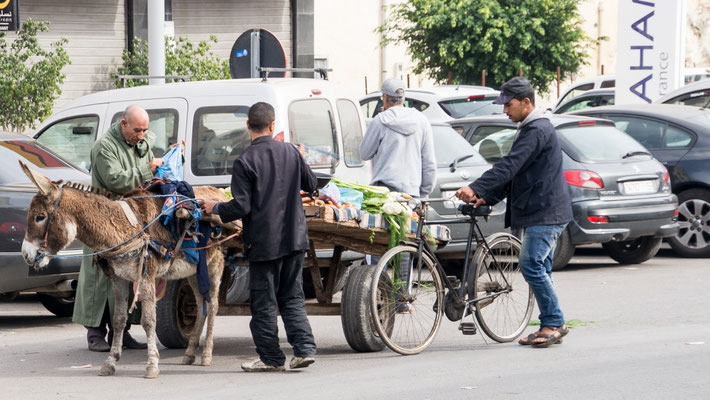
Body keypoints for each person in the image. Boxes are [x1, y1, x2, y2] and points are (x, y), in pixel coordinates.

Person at [455, 77, 573, 348]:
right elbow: (517, 174)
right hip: (541, 209)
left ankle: (554, 322)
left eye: (508, 105)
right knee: (540, 268)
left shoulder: (537, 129)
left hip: (546, 211)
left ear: (526, 102)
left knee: (531, 265)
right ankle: (550, 322)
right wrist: (486, 195)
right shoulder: (530, 128)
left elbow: (510, 165)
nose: (505, 111)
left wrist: (475, 186)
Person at [201, 102, 317, 372]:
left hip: (265, 243)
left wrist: (214, 207)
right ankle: (304, 350)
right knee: (292, 297)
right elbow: (311, 185)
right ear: (273, 125)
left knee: (264, 302)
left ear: (247, 126)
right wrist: (301, 157)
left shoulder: (244, 161)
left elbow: (241, 207)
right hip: (295, 239)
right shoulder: (290, 151)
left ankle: (271, 359)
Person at [72, 105, 164, 352]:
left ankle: (121, 333)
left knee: (129, 274)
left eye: (145, 130)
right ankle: (95, 333)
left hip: (129, 218)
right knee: (100, 276)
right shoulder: (104, 148)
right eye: (137, 130)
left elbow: (145, 174)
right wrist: (148, 169)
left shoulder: (138, 142)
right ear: (124, 124)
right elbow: (116, 180)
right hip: (104, 218)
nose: (141, 135)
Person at [359, 78, 436, 197]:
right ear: (403, 97)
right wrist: (424, 192)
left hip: (384, 193)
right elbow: (429, 162)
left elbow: (364, 153)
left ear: (385, 97)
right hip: (412, 193)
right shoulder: (422, 121)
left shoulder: (380, 120)